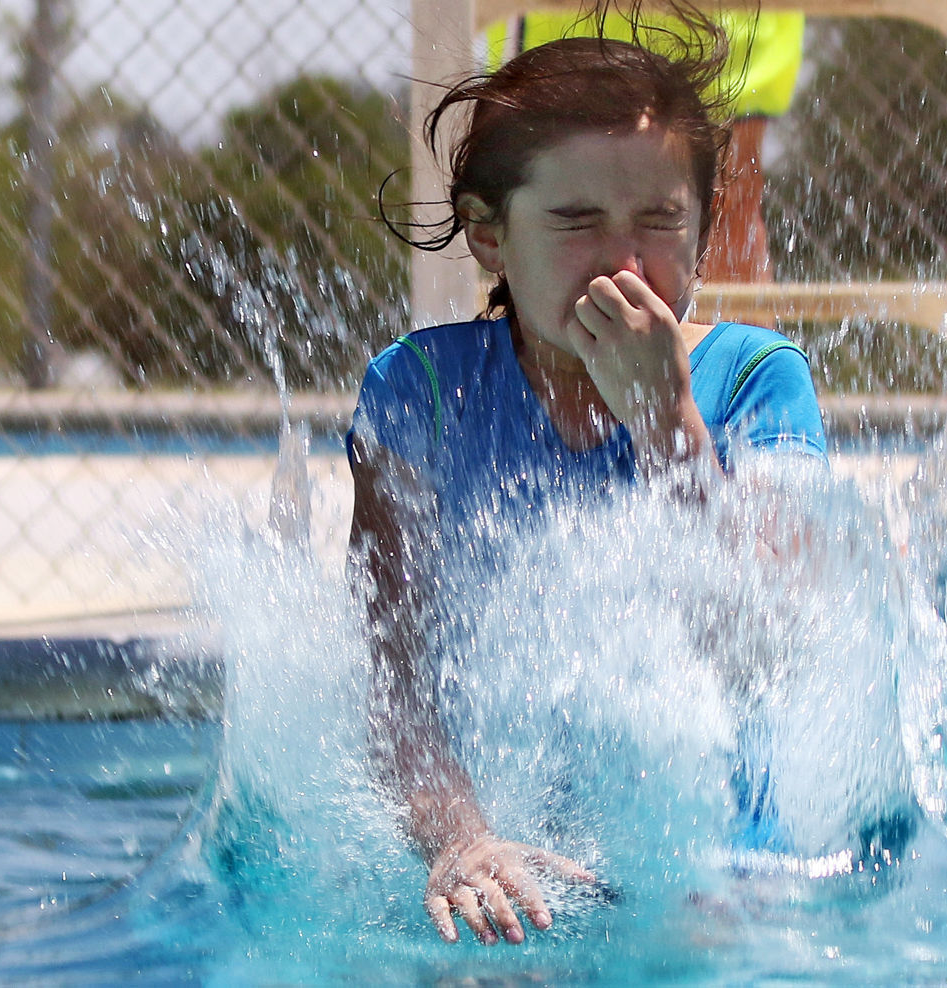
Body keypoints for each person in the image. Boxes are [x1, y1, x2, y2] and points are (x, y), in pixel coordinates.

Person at [349, 7, 826, 947]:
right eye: (576, 221)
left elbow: (762, 651)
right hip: (504, 862)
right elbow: (392, 682)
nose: (624, 261)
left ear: (702, 230)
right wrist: (465, 840)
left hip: (726, 873)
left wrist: (668, 426)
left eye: (659, 221)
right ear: (488, 236)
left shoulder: (756, 383)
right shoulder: (420, 394)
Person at [486, 8, 804, 281]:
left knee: (729, 200)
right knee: (561, 199)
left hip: (727, 22)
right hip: (573, 22)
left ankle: (727, 350)